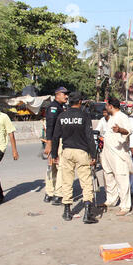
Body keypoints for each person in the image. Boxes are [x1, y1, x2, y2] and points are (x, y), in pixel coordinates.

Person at [51, 92, 98, 223]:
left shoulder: (62, 116)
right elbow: (89, 136)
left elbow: (55, 137)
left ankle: (67, 211)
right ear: (80, 102)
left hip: (67, 151)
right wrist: (93, 155)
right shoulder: (84, 116)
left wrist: (54, 154)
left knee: (67, 181)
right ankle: (87, 213)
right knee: (86, 182)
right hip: (81, 152)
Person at [101, 97, 133, 216]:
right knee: (108, 176)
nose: (105, 107)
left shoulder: (122, 117)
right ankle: (111, 200)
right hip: (107, 152)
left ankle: (125, 206)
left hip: (119, 153)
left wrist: (120, 129)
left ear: (110, 106)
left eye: (106, 105)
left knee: (121, 178)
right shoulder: (110, 119)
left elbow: (128, 131)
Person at [44, 87, 69, 205]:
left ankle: (49, 193)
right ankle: (57, 194)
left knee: (53, 167)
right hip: (55, 141)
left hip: (55, 140)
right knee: (59, 166)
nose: (66, 96)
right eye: (64, 94)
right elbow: (50, 126)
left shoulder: (59, 107)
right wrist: (49, 144)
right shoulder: (54, 108)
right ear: (57, 94)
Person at [0, 109, 19, 204]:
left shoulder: (3, 117)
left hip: (0, 148)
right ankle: (0, 195)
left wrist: (14, 151)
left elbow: (11, 133)